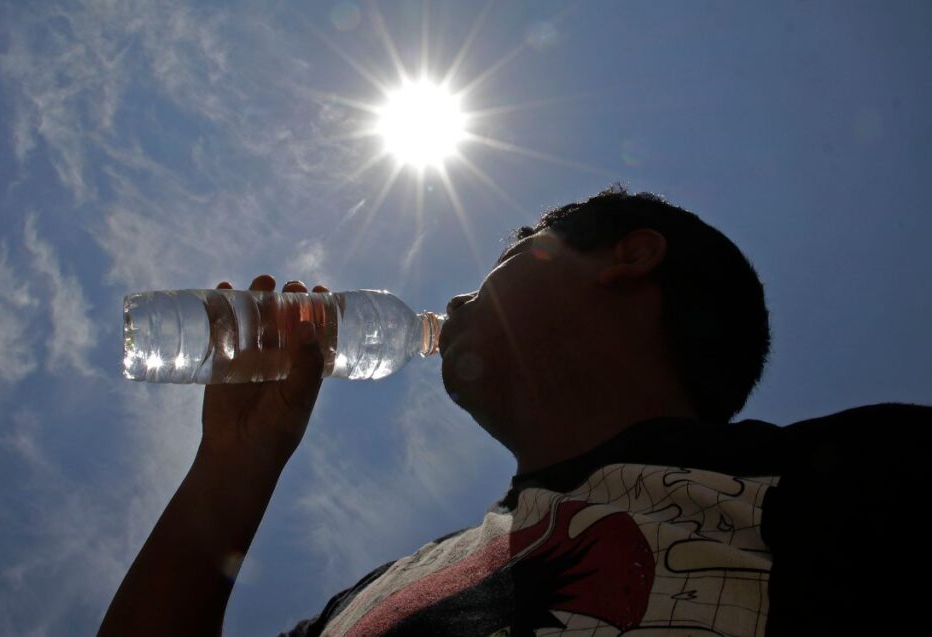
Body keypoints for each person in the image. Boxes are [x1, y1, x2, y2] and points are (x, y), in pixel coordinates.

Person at [99, 186, 929, 636]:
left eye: (510, 252)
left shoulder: (850, 480)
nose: (462, 291)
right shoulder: (377, 599)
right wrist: (231, 471)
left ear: (628, 258)